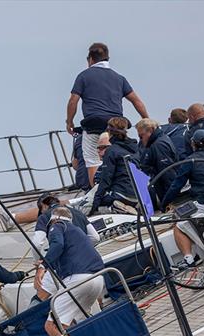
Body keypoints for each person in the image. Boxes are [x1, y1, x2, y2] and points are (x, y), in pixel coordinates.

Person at [66, 42, 149, 186]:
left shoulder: (84, 76)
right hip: (116, 127)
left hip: (94, 126)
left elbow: (73, 100)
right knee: (119, 158)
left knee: (93, 159)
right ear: (107, 59)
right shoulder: (119, 78)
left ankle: (96, 192)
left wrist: (70, 122)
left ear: (90, 59)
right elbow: (136, 101)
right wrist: (146, 120)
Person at [166, 130, 204, 270]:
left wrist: (164, 202)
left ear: (193, 144)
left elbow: (177, 185)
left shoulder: (190, 161)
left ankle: (188, 259)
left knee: (178, 221)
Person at [41, 207, 105, 336]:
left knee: (52, 326)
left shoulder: (57, 225)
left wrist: (43, 265)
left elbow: (57, 244)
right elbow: (95, 237)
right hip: (98, 279)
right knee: (78, 320)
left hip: (77, 279)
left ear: (55, 219)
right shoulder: (77, 231)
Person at [90, 117, 140, 216]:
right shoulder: (136, 147)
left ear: (109, 132)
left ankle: (116, 208)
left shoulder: (112, 151)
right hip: (139, 195)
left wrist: (95, 204)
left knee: (88, 204)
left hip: (121, 194)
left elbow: (105, 180)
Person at [136, 118, 178, 210]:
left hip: (164, 192)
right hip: (160, 188)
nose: (141, 140)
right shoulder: (159, 140)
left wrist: (168, 201)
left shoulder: (159, 145)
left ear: (150, 130)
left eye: (141, 136)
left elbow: (167, 173)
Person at [71, 127, 91, 191]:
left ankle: (83, 183)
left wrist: (69, 122)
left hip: (85, 184)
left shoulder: (80, 140)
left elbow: (75, 164)